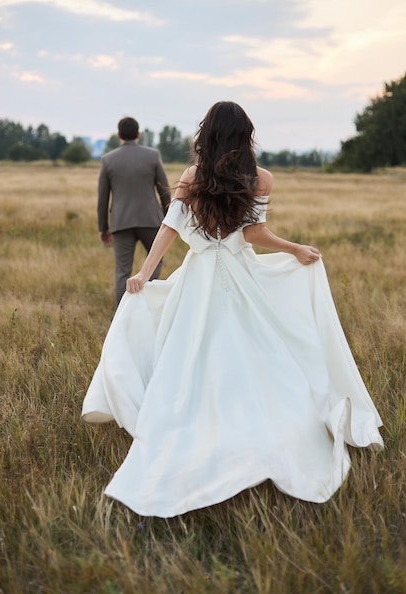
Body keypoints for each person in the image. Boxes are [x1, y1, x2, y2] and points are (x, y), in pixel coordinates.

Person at [83, 101, 383, 518]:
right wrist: (292, 247)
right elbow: (255, 233)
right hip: (241, 272)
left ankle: (205, 426)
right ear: (245, 135)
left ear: (207, 134)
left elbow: (170, 231)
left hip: (200, 275)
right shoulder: (261, 177)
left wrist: (144, 273)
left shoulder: (192, 176)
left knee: (193, 354)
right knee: (257, 348)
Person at [97, 116, 171, 305]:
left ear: (119, 135)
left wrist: (103, 228)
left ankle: (123, 316)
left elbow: (103, 199)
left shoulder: (107, 160)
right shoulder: (153, 155)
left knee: (122, 271)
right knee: (155, 261)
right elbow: (164, 190)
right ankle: (147, 300)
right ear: (138, 134)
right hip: (151, 220)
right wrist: (168, 219)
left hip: (121, 222)